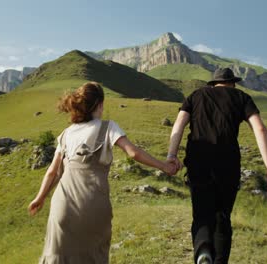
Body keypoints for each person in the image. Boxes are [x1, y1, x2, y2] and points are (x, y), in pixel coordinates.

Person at [27, 81, 177, 264]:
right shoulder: (108, 127)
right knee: (93, 256)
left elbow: (53, 172)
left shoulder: (66, 134)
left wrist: (40, 198)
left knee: (58, 257)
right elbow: (133, 152)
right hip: (93, 205)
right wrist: (164, 166)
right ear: (99, 104)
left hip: (62, 205)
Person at [166, 68, 267, 264]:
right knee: (222, 216)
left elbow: (179, 125)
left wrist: (171, 155)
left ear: (213, 83)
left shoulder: (196, 95)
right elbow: (260, 129)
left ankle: (202, 252)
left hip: (198, 162)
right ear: (232, 83)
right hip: (228, 165)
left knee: (202, 213)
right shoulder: (242, 97)